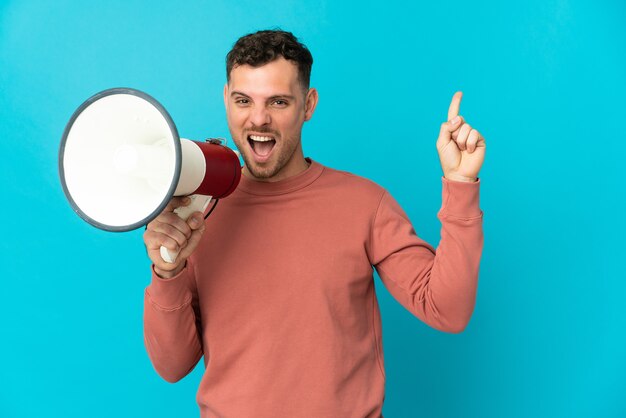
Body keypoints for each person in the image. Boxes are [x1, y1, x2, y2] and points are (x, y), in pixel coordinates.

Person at [143, 29, 485, 418]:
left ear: (308, 104)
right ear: (226, 99)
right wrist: (167, 271)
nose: (259, 118)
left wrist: (460, 185)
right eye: (243, 100)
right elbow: (172, 366)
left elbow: (447, 310)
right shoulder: (200, 209)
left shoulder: (364, 205)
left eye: (278, 101)